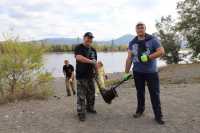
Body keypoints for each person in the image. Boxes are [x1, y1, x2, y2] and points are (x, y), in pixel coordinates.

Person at [124, 22, 165, 125]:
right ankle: (140, 111)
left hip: (151, 72)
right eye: (138, 28)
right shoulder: (132, 42)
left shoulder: (152, 39)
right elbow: (129, 58)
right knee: (140, 93)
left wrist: (148, 57)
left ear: (145, 29)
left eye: (142, 27)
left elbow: (161, 51)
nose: (140, 29)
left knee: (154, 94)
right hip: (137, 72)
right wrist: (126, 73)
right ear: (136, 30)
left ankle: (158, 116)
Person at [74, 32, 97, 121]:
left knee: (91, 94)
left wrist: (97, 73)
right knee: (81, 96)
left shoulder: (93, 50)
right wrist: (91, 61)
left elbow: (95, 62)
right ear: (84, 38)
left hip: (91, 76)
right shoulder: (78, 47)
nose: (89, 39)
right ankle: (81, 113)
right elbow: (78, 57)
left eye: (91, 38)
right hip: (81, 76)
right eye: (88, 38)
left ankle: (90, 108)